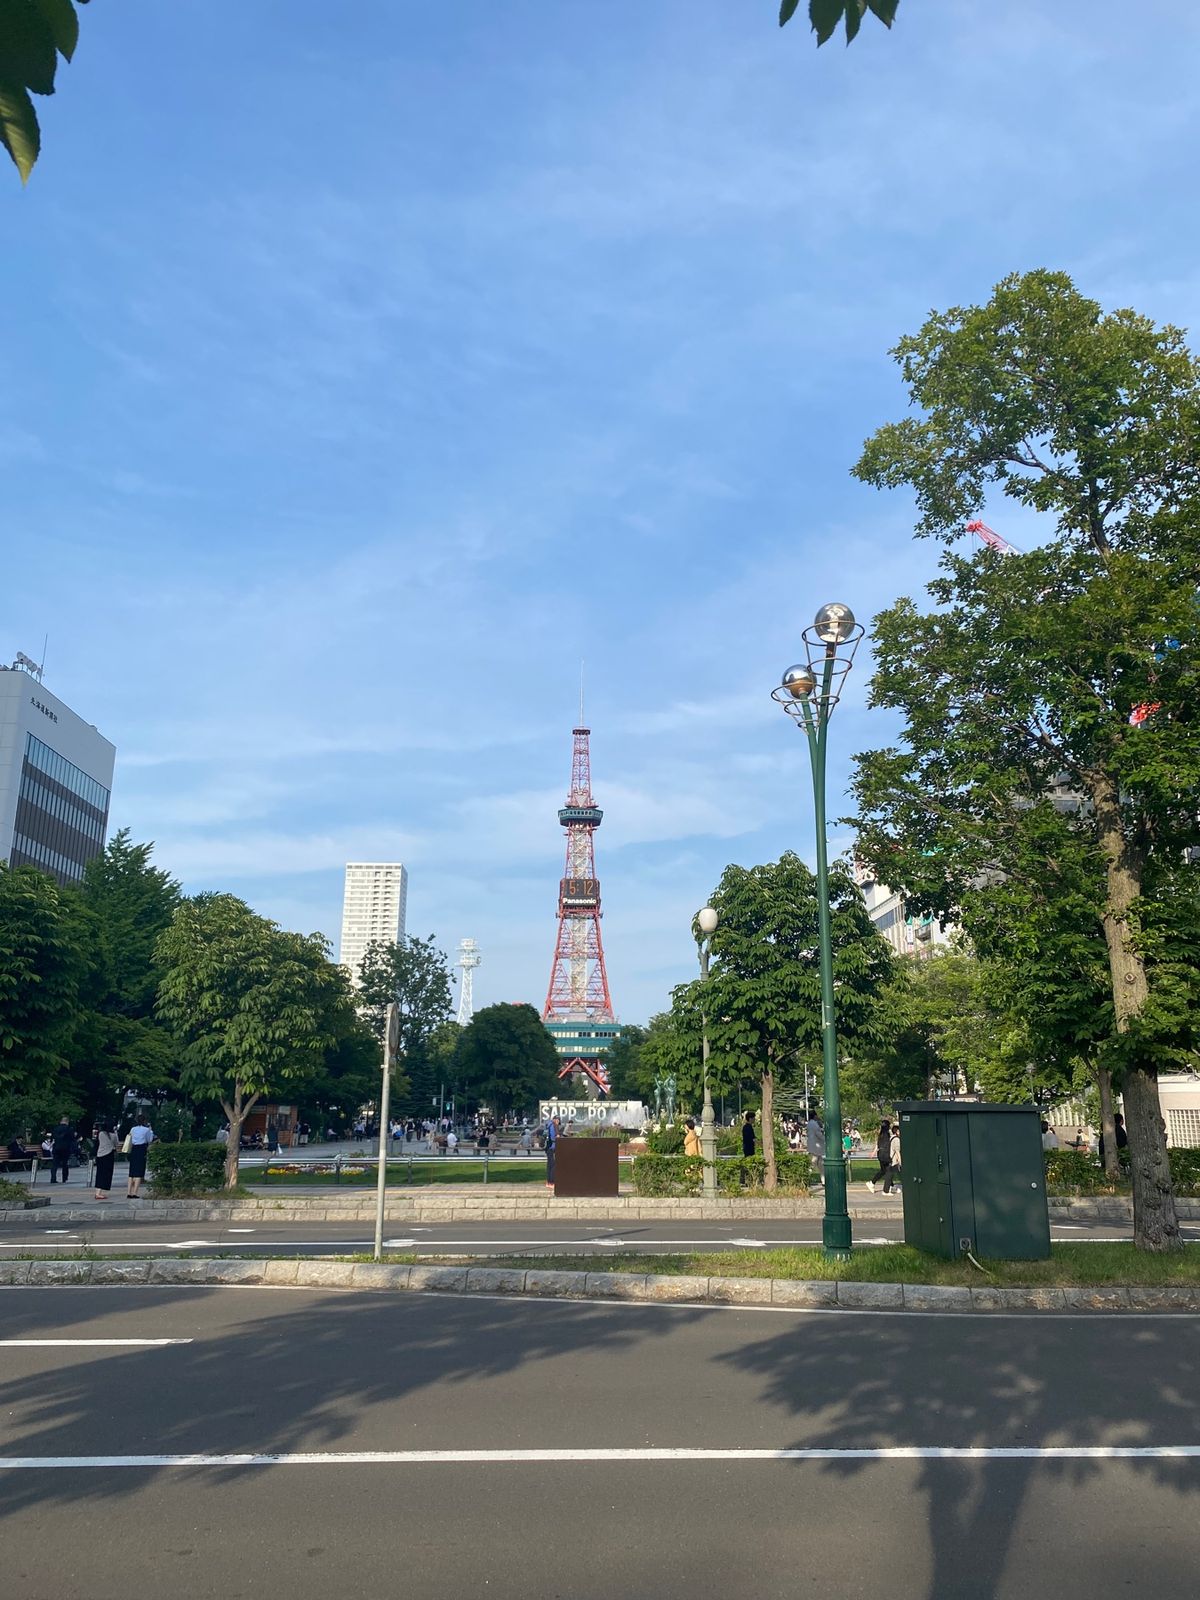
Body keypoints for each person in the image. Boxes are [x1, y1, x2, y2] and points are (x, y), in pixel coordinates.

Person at [125, 1113, 154, 1199]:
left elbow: (130, 1137)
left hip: (134, 1149)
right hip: (141, 1149)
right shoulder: (146, 1130)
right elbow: (149, 1140)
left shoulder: (133, 1129)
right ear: (145, 1121)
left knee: (132, 1172)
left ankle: (129, 1192)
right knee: (139, 1172)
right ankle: (135, 1193)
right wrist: (150, 1130)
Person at [93, 1120, 118, 1200]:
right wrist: (116, 1132)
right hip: (108, 1155)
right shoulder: (113, 1135)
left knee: (99, 1173)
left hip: (100, 1155)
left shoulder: (101, 1134)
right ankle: (99, 1192)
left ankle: (97, 1192)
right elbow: (116, 1143)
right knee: (105, 1174)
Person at [49, 1116, 77, 1184]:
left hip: (56, 1148)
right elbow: (73, 1139)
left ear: (61, 1121)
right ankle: (64, 1178)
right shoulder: (69, 1129)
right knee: (65, 1163)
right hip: (65, 1148)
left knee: (54, 1164)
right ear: (67, 1122)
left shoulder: (56, 1129)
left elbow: (52, 1138)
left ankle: (53, 1178)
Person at [867, 1120, 892, 1193]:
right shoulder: (886, 1135)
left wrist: (874, 1152)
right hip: (885, 1154)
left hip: (880, 1154)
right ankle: (872, 1182)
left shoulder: (881, 1134)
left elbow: (878, 1145)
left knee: (886, 1170)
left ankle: (891, 1186)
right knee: (887, 1170)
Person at [884, 1121, 902, 1193]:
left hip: (889, 1158)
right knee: (892, 1174)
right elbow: (897, 1151)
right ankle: (886, 1190)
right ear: (896, 1131)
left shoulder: (890, 1138)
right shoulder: (896, 1139)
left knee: (890, 1174)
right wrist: (900, 1161)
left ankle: (890, 1187)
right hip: (894, 1160)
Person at [545, 1115, 559, 1187]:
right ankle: (552, 1182)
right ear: (555, 1120)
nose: (558, 1122)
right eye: (558, 1120)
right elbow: (555, 1137)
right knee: (553, 1165)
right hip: (553, 1147)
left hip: (548, 1147)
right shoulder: (553, 1126)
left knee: (549, 1165)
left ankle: (548, 1182)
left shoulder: (548, 1125)